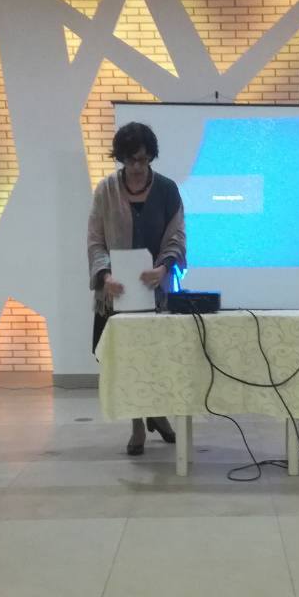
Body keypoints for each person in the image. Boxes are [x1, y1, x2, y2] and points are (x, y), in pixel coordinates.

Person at [87, 122, 186, 456]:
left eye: (144, 159)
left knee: (158, 359)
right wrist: (105, 277)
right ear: (121, 158)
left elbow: (177, 234)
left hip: (157, 294)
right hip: (117, 297)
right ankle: (137, 425)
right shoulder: (106, 191)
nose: (138, 167)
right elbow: (95, 240)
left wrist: (164, 267)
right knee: (126, 361)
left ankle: (157, 412)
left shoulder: (168, 190)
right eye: (131, 160)